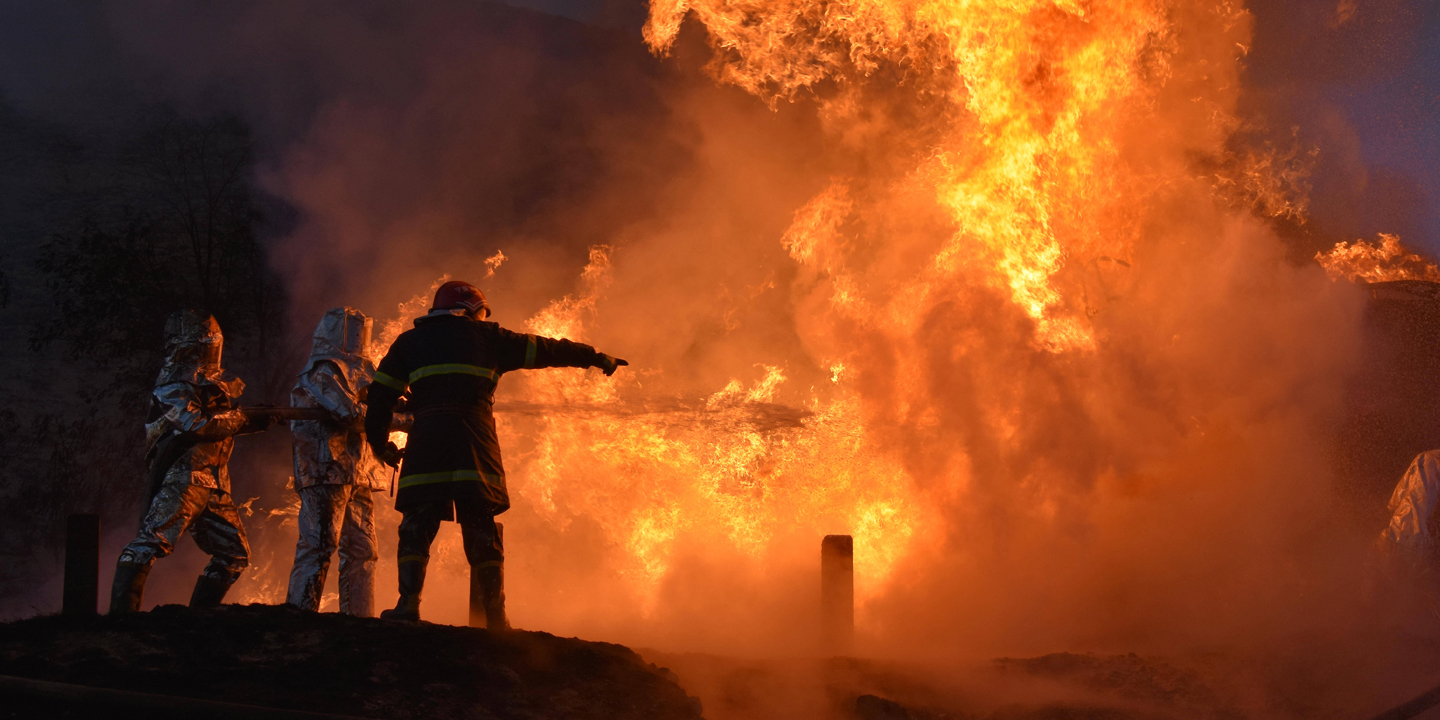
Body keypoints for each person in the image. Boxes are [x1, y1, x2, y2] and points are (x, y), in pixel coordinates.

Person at [364, 280, 627, 625]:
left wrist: (380, 445)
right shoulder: (492, 339)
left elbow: (380, 400)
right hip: (476, 442)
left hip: (428, 441)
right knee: (481, 524)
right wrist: (593, 357)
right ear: (473, 309)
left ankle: (408, 605)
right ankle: (495, 616)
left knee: (417, 524)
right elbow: (548, 350)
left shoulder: (409, 343)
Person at [109, 310, 274, 613]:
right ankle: (122, 618)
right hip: (184, 478)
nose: (209, 354)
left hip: (213, 482)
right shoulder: (171, 386)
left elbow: (220, 422)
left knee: (233, 554)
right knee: (151, 541)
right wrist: (241, 418)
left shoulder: (205, 384)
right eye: (203, 347)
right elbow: (197, 424)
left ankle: (199, 619)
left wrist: (256, 420)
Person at [286, 307, 411, 616]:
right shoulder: (323, 371)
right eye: (351, 331)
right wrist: (400, 421)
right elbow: (351, 414)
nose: (358, 339)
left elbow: (380, 402)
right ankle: (298, 618)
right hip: (325, 468)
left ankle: (359, 620)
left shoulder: (366, 371)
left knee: (363, 550)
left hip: (360, 473)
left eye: (361, 331)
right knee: (318, 545)